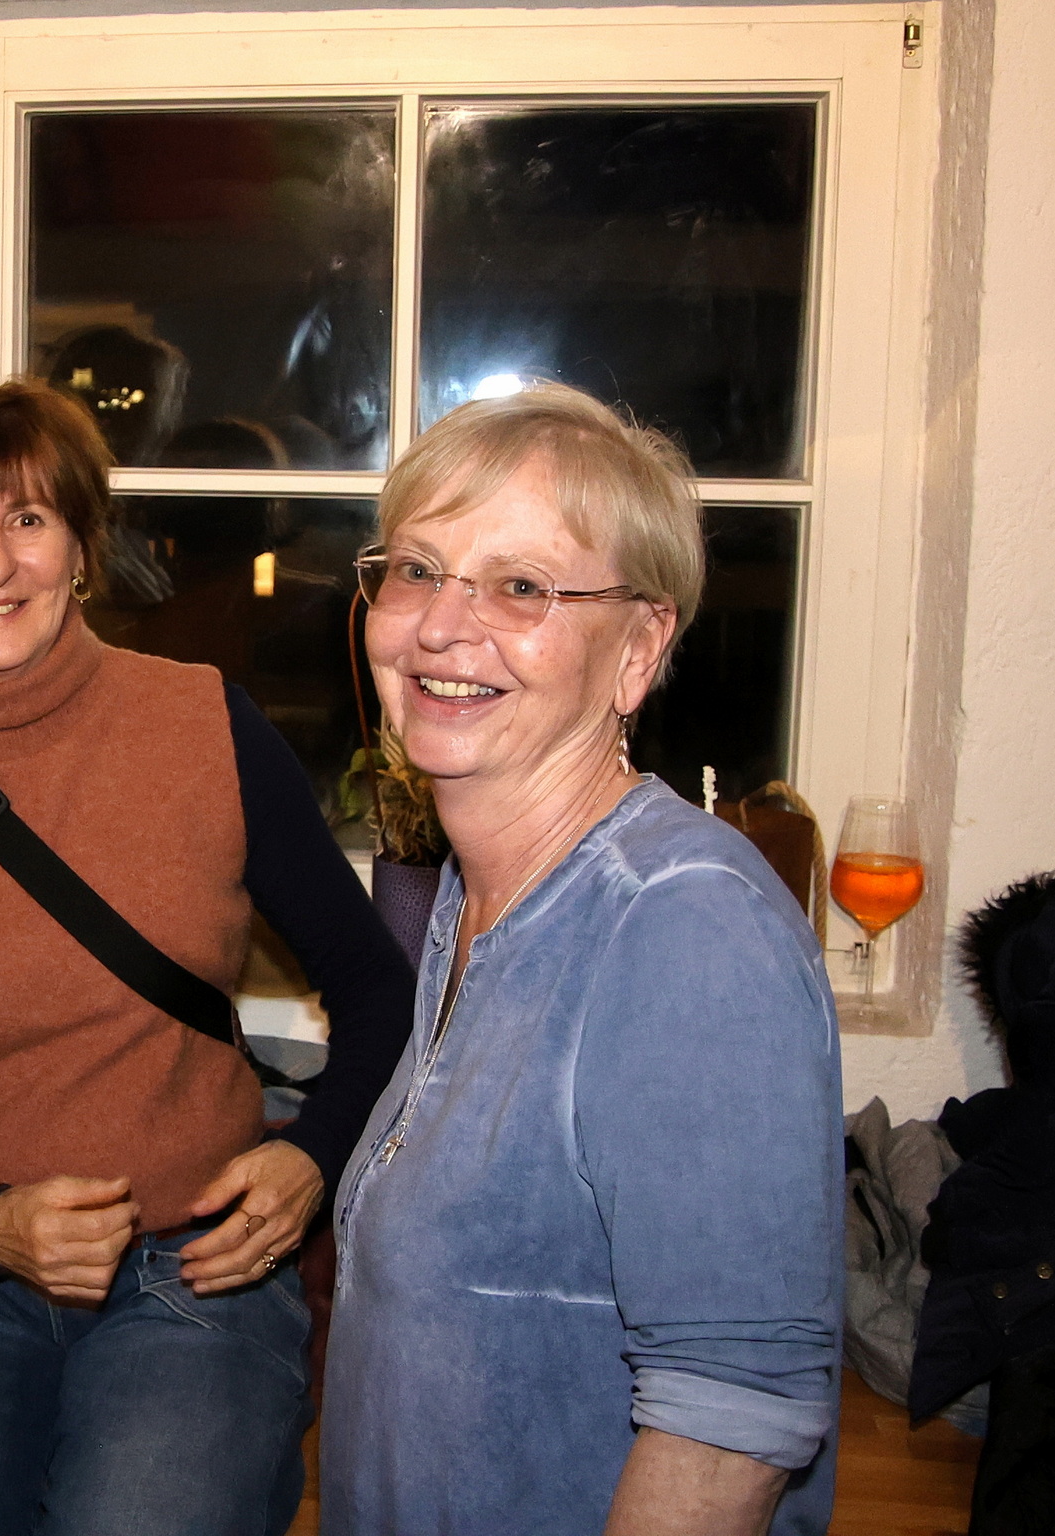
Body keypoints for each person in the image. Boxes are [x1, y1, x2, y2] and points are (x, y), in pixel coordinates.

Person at [0, 379, 415, 1536]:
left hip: (192, 1271)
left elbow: (377, 989)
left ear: (82, 548)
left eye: (28, 518)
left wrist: (310, 1158)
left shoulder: (207, 727)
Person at [321, 381, 844, 1536]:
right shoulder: (468, 903)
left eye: (521, 586)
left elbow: (731, 1426)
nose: (440, 627)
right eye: (416, 569)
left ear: (638, 650)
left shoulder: (683, 929)